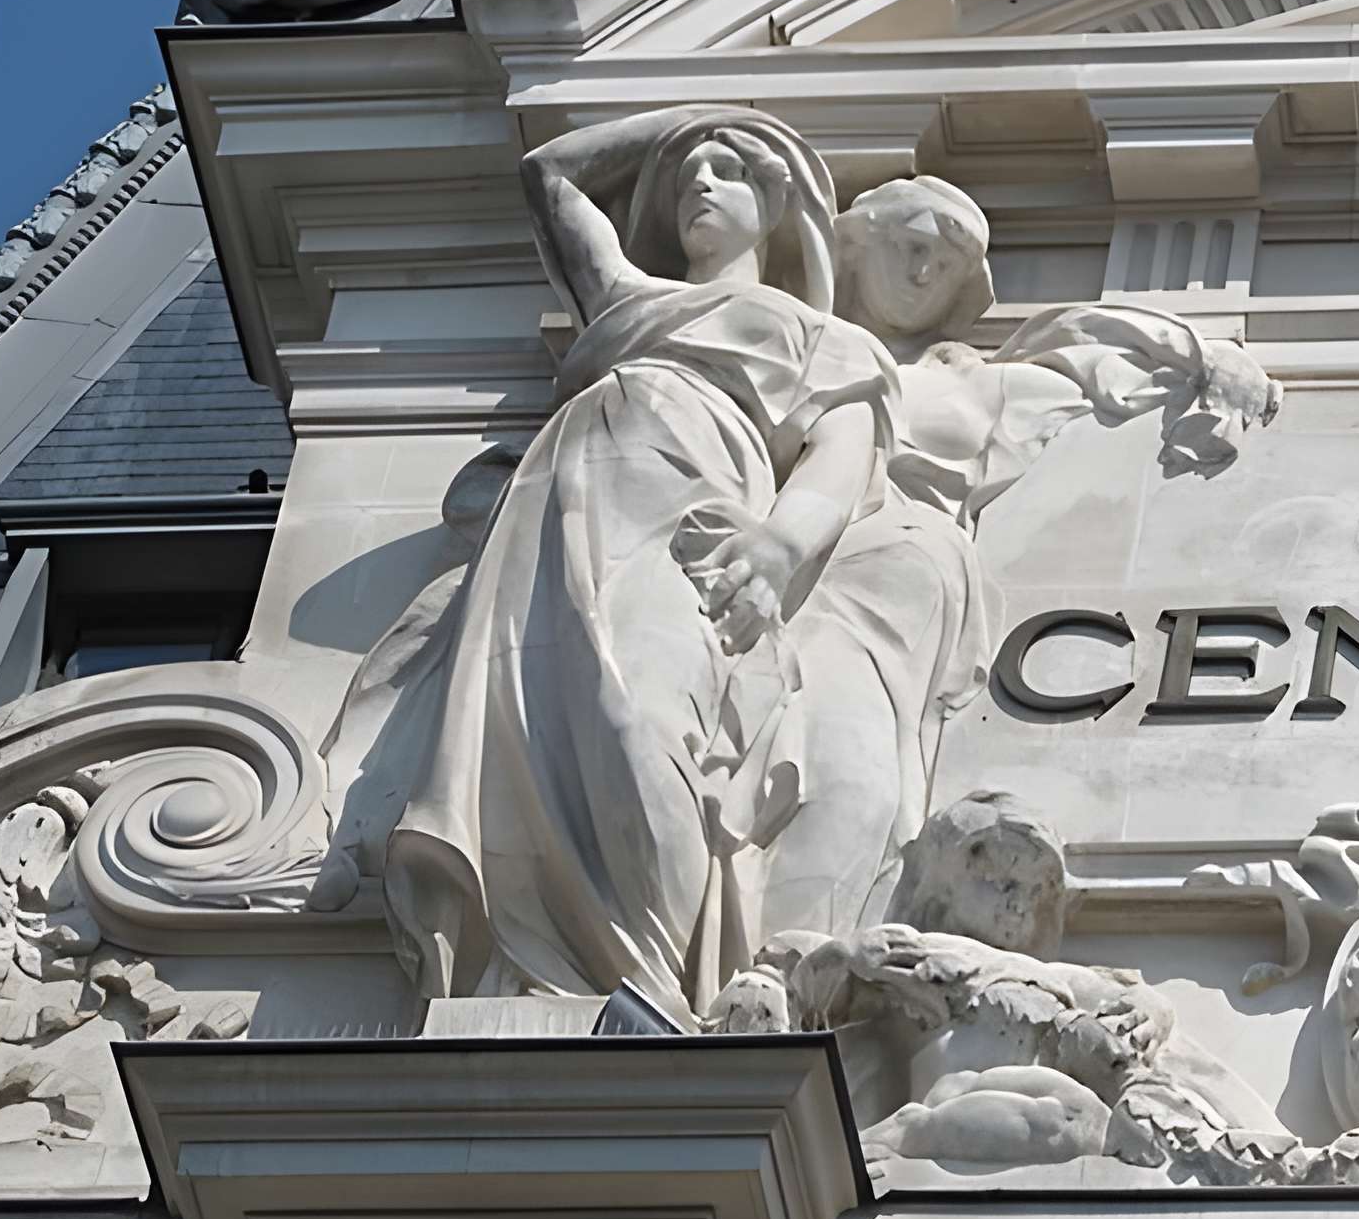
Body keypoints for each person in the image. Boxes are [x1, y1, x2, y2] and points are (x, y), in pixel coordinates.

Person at [384, 106, 892, 1012]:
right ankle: (561, 972)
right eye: (687, 174)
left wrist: (779, 546)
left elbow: (842, 448)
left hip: (689, 521)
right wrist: (700, 118)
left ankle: (654, 982)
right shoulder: (632, 303)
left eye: (730, 170)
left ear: (776, 206)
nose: (702, 182)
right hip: (559, 515)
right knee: (535, 730)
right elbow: (550, 174)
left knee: (642, 718)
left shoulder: (815, 335)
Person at [761, 175, 1278, 940]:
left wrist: (1205, 353)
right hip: (792, 590)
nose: (922, 275)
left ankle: (789, 974)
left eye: (944, 265)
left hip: (890, 595)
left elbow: (1087, 357)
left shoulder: (965, 385)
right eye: (911, 249)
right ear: (855, 240)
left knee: (857, 786)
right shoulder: (779, 348)